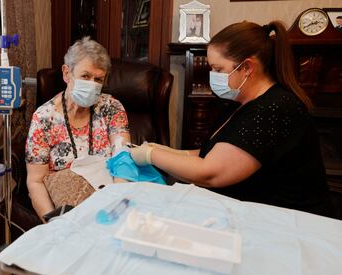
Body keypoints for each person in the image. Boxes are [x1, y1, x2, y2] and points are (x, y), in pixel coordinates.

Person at [130, 21, 334, 217]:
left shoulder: (275, 108)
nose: (212, 75)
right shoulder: (239, 103)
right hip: (254, 211)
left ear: (247, 67)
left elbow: (210, 173)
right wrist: (171, 152)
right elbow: (211, 153)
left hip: (288, 221)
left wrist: (151, 155)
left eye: (218, 69)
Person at [25, 37, 131, 220]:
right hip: (66, 204)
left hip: (108, 195)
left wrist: (117, 207)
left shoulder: (112, 108)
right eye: (85, 76)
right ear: (67, 74)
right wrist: (53, 223)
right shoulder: (43, 118)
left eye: (99, 79)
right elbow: (35, 181)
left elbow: (123, 162)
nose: (92, 85)